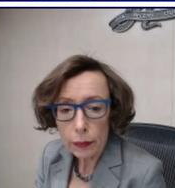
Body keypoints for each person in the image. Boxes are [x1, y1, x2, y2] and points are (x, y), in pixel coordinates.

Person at [32, 55, 166, 187]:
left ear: (112, 111)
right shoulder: (50, 155)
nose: (80, 125)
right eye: (65, 109)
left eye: (94, 108)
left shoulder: (144, 174)